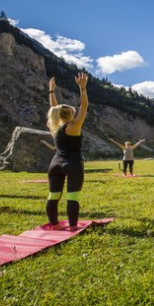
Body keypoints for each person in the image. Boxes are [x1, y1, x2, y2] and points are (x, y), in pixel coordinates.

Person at [46, 73, 88, 230]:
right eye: (72, 111)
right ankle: (72, 227)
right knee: (72, 197)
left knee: (53, 196)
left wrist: (51, 92)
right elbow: (84, 106)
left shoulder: (54, 127)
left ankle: (54, 225)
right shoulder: (73, 126)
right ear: (70, 115)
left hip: (55, 164)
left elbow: (54, 108)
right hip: (73, 164)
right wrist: (82, 88)